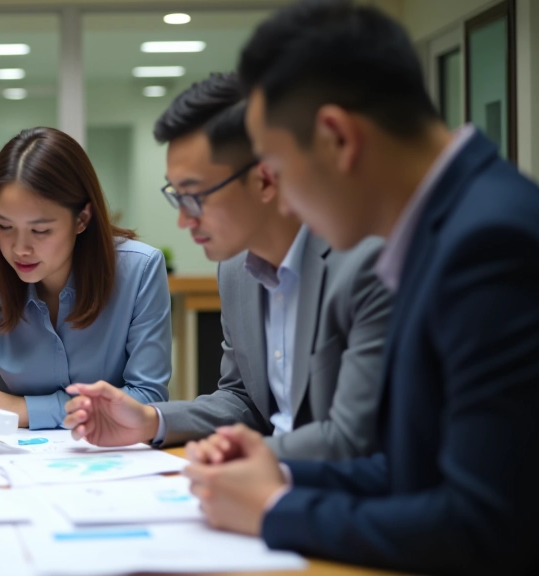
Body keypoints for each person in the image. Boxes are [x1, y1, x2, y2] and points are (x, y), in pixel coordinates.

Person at [182, 1, 539, 574]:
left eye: (276, 166)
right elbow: (409, 467)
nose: (282, 199)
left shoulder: (487, 244)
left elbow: (485, 525)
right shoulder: (447, 226)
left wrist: (275, 509)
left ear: (338, 139)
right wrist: (282, 470)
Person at [63, 72, 392, 460]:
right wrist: (150, 420)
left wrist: (258, 461)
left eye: (196, 196)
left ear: (266, 180)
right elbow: (243, 400)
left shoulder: (366, 261)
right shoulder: (237, 269)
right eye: (176, 196)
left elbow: (358, 438)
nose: (184, 221)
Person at [0, 127, 172, 438]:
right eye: (4, 226)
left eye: (40, 231)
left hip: (106, 459)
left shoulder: (139, 270)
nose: (19, 248)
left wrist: (26, 409)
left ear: (82, 219)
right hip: (6, 466)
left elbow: (148, 399)